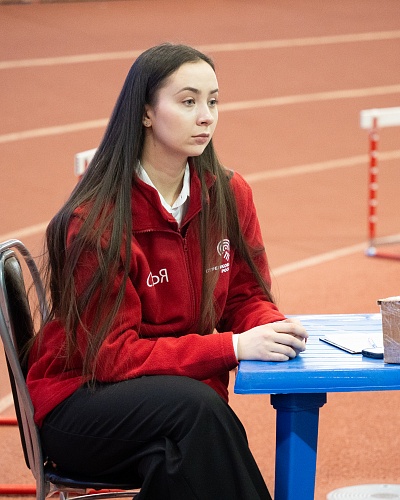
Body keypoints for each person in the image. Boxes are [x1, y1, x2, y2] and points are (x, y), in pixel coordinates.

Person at [26, 42, 308, 499]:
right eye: (188, 101)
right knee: (198, 413)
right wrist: (233, 346)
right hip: (83, 403)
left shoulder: (229, 194)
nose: (206, 117)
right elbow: (113, 356)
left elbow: (246, 295)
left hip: (176, 411)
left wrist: (271, 328)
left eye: (213, 101)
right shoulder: (97, 220)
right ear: (145, 113)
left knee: (177, 462)